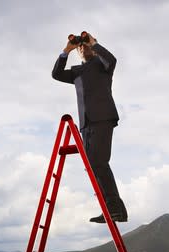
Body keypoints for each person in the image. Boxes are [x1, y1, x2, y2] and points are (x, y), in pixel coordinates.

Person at [52, 32, 128, 223]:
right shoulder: (77, 71)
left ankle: (114, 209)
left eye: (85, 45)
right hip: (85, 124)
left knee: (99, 163)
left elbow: (112, 60)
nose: (83, 48)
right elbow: (56, 74)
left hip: (102, 119)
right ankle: (113, 209)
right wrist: (67, 50)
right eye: (81, 46)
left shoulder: (102, 65)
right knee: (93, 167)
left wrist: (93, 43)